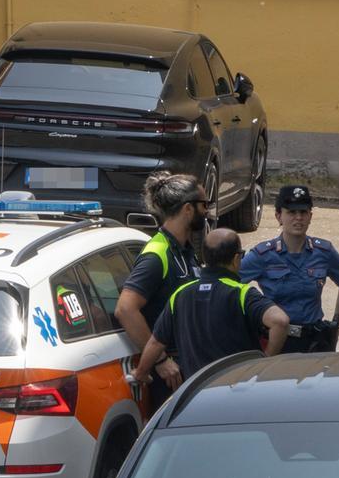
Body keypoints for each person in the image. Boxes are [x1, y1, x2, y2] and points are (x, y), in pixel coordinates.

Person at [132, 228, 289, 384]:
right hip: (238, 391)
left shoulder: (180, 294)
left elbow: (155, 342)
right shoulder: (242, 294)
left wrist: (141, 373)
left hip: (197, 394)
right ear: (236, 259)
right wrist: (263, 365)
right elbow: (280, 321)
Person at [115, 172, 205, 406]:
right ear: (188, 209)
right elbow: (126, 309)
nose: (207, 211)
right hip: (169, 374)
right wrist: (160, 360)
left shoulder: (185, 250)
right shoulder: (157, 254)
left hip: (189, 363)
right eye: (204, 205)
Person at [239, 185, 339, 352]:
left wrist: (337, 324)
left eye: (303, 212)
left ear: (310, 216)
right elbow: (230, 285)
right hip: (278, 342)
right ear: (279, 216)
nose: (298, 218)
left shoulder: (324, 251)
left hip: (314, 343)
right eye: (292, 213)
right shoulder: (263, 255)